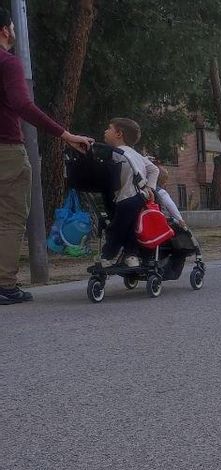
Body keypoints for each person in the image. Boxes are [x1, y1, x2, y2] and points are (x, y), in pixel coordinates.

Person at [0, 7, 93, 305]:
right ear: (5, 29)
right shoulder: (8, 63)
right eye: (13, 26)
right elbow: (22, 104)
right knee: (10, 218)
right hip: (5, 152)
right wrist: (65, 135)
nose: (14, 31)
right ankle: (4, 285)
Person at [101, 117, 158, 268]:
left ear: (119, 134)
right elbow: (154, 169)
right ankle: (131, 256)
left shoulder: (116, 153)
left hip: (126, 197)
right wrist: (150, 188)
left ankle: (108, 256)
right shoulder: (135, 154)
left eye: (109, 128)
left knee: (117, 228)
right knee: (130, 226)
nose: (105, 131)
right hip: (139, 197)